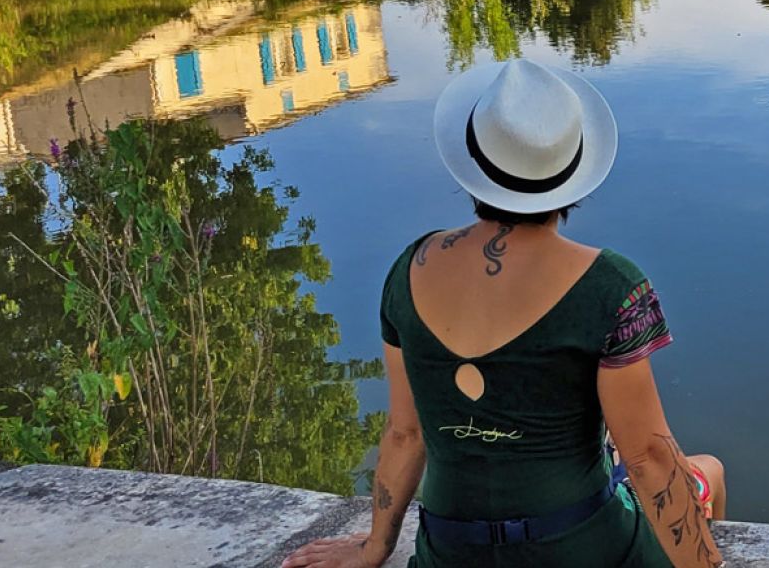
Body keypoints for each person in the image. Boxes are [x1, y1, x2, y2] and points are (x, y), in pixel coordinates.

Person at [283, 59, 726, 568]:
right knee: (706, 471)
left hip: (450, 554)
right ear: (572, 174)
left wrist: (373, 547)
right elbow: (648, 458)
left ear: (473, 165)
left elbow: (406, 434)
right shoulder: (612, 286)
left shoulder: (409, 270)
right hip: (581, 549)